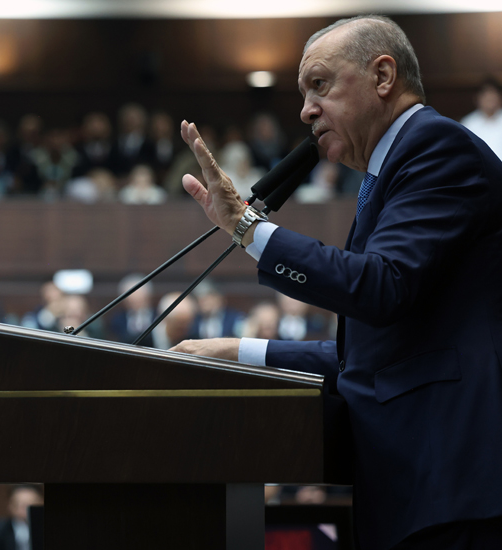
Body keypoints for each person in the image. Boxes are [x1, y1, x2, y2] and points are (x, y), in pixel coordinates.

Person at [171, 15, 502, 550]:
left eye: (320, 85)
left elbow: (380, 287)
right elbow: (375, 355)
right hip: (419, 491)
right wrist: (241, 352)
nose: (306, 110)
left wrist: (247, 227)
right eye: (305, 94)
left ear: (383, 76)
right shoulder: (390, 173)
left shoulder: (437, 147)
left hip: (453, 486)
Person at [0, 485, 43, 550]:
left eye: (32, 503)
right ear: (10, 506)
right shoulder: (1, 529)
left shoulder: (45, 528)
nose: (26, 510)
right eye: (21, 505)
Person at [460, 78, 502, 160]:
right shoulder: (468, 123)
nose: (490, 99)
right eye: (486, 96)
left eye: (493, 95)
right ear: (477, 98)